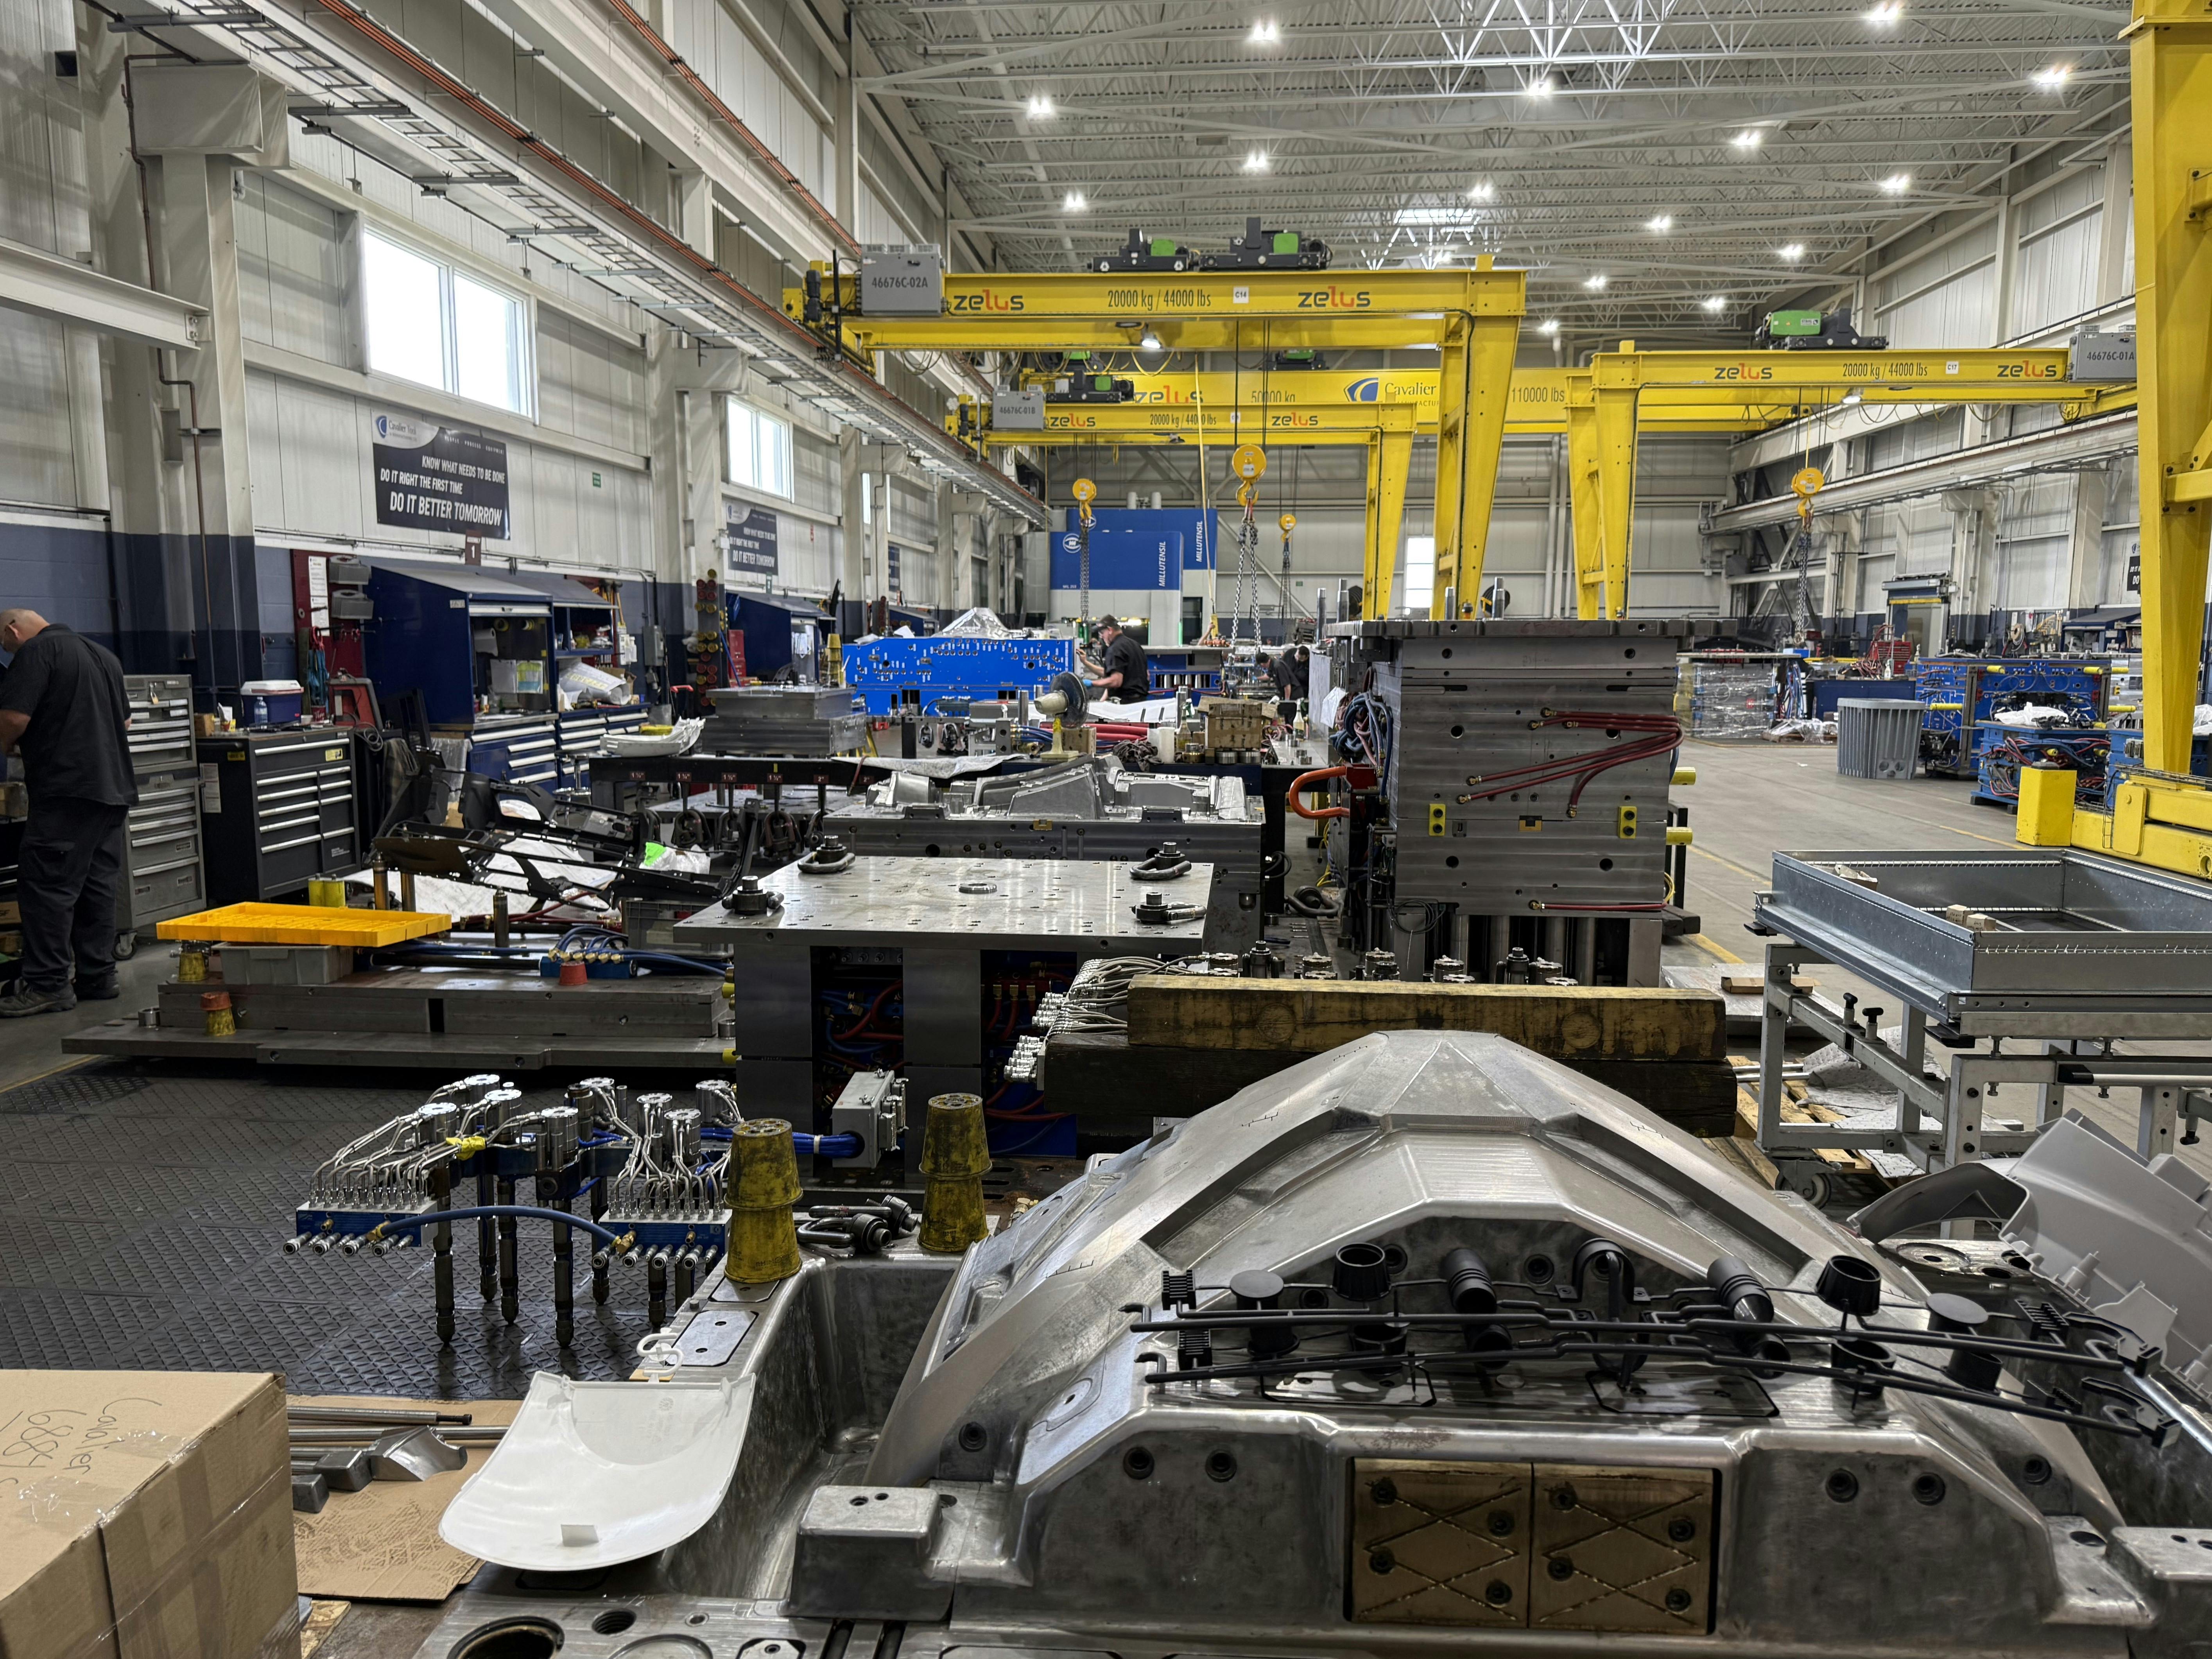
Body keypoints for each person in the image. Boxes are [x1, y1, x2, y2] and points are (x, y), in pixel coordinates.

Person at [0, 610, 136, 1017]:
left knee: (47, 887)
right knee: (97, 886)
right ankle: (98, 976)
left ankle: (48, 985)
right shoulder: (103, 654)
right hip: (112, 791)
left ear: (12, 631)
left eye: (4, 645)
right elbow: (125, 722)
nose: (7, 652)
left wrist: (7, 743)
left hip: (66, 792)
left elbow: (13, 717)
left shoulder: (37, 652)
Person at [1087, 616, 1149, 705]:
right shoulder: (1135, 645)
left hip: (1126, 704)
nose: (1101, 637)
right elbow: (1145, 674)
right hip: (1141, 703)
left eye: (1102, 633)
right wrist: (1085, 662)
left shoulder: (1115, 649)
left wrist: (1092, 683)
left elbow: (1116, 681)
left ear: (1110, 630)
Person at [1267, 644, 1311, 713]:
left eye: (1300, 660)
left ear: (1306, 658)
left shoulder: (1310, 664)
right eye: (1296, 657)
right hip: (1287, 690)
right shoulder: (1289, 654)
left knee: (1296, 713)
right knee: (1287, 714)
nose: (1297, 660)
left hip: (1300, 692)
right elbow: (1280, 666)